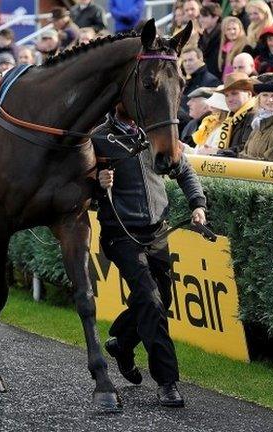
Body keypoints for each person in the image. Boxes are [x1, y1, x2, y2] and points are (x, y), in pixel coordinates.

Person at [93, 104, 207, 409]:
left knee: (161, 299)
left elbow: (183, 170)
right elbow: (75, 186)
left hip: (158, 232)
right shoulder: (98, 138)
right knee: (151, 301)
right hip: (120, 235)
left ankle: (122, 342)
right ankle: (167, 382)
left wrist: (198, 204)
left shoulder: (156, 131)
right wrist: (96, 183)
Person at [216, 72, 257, 155]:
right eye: (226, 95)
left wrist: (218, 152)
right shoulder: (231, 117)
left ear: (249, 94)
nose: (230, 99)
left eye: (234, 94)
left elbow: (246, 148)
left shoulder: (254, 116)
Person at [180, 46, 222, 115]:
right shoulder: (188, 81)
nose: (187, 64)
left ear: (200, 59)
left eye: (190, 60)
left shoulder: (211, 81)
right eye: (184, 61)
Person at [198, 4, 223, 77]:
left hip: (217, 75)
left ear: (216, 17)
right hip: (205, 75)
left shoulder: (222, 36)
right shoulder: (202, 36)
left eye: (205, 16)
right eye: (200, 16)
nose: (201, 20)